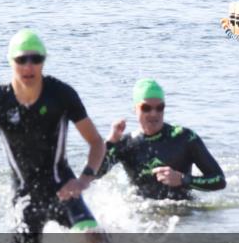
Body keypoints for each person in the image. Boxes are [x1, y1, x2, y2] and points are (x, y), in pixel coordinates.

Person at [0, 29, 108, 243]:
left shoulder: (61, 94)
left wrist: (83, 181)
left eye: (36, 59)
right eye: (21, 59)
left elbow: (96, 142)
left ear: (44, 62)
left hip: (63, 187)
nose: (28, 66)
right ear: (11, 61)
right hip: (25, 195)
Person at [96, 79, 225, 201]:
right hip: (144, 213)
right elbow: (93, 175)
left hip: (184, 214)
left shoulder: (184, 137)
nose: (154, 113)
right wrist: (110, 142)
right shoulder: (125, 144)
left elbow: (219, 180)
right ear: (135, 109)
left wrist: (183, 179)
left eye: (159, 107)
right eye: (146, 108)